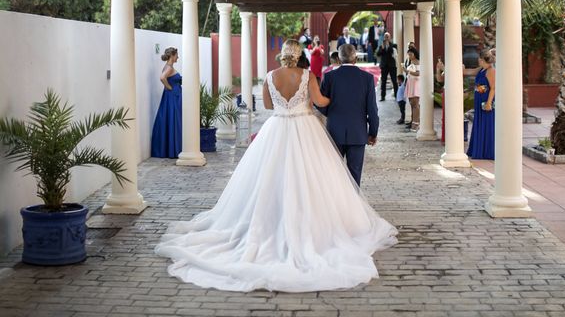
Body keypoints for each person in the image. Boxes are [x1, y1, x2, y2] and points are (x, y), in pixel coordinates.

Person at [155, 40, 397, 292]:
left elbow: (269, 106)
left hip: (278, 127)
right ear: (299, 54)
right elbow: (321, 102)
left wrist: (290, 104)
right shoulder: (308, 75)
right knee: (314, 178)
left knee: (271, 178)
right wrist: (330, 100)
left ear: (282, 55)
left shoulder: (270, 76)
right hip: (305, 129)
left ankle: (272, 221)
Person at [320, 44, 380, 186]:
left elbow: (320, 103)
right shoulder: (367, 78)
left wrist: (331, 114)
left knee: (335, 172)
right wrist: (373, 133)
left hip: (335, 131)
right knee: (354, 175)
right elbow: (372, 109)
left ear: (339, 59)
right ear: (356, 58)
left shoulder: (329, 77)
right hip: (357, 133)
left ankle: (336, 204)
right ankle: (353, 205)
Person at [151, 47, 182, 158]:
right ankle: (173, 149)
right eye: (177, 55)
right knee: (174, 119)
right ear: (172, 56)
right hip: (172, 97)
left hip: (173, 96)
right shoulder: (169, 68)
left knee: (172, 119)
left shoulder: (169, 67)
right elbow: (162, 78)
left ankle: (171, 148)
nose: (178, 57)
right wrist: (170, 88)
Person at [466, 49, 496, 160]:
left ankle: (487, 151)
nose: (478, 60)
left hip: (486, 100)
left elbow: (493, 88)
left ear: (483, 59)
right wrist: (462, 69)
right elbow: (470, 72)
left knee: (487, 124)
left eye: (479, 58)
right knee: (479, 123)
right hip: (479, 98)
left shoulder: (491, 71)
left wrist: (489, 103)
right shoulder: (482, 69)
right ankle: (478, 149)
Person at [376, 32, 398, 101]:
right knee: (383, 81)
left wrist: (388, 45)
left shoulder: (394, 45)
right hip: (384, 66)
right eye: (385, 37)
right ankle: (383, 97)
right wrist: (382, 48)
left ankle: (396, 96)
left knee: (394, 81)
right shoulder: (381, 45)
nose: (386, 38)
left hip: (392, 65)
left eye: (387, 36)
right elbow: (378, 54)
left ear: (390, 38)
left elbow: (392, 52)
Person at [403, 48, 420, 130]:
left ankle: (416, 123)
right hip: (410, 83)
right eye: (408, 54)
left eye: (411, 54)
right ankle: (413, 121)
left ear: (414, 54)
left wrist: (407, 71)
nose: (409, 56)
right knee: (412, 103)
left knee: (416, 104)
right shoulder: (410, 62)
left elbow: (419, 73)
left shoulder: (418, 62)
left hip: (416, 84)